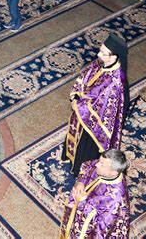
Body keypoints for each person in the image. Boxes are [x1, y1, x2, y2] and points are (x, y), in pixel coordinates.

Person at [63, 34, 128, 177]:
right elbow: (84, 76)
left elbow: (103, 108)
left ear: (114, 56)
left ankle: (79, 169)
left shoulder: (115, 81)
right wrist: (75, 95)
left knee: (85, 147)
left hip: (92, 126)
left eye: (103, 53)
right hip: (80, 109)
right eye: (100, 50)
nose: (99, 54)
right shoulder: (101, 62)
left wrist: (78, 106)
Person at [60, 150, 130, 238]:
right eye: (100, 161)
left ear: (114, 172)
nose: (97, 164)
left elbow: (102, 227)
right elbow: (88, 165)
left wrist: (81, 201)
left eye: (101, 164)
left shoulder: (116, 198)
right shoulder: (104, 166)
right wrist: (81, 181)